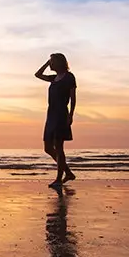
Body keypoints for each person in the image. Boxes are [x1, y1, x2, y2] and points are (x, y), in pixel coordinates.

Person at [34, 53, 77, 187]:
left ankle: (59, 178)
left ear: (58, 62)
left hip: (61, 114)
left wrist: (71, 115)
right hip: (51, 114)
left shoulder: (69, 77)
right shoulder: (54, 78)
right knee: (48, 147)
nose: (51, 64)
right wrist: (47, 62)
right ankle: (68, 172)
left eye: (52, 62)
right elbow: (38, 74)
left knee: (59, 147)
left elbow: (73, 98)